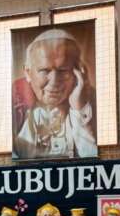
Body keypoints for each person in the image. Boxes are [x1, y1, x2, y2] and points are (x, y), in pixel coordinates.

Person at [12, 28, 98, 160]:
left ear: (78, 71)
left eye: (63, 70)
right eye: (44, 71)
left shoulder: (93, 101)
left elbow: (91, 157)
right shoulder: (15, 105)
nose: (54, 82)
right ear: (28, 73)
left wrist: (79, 109)